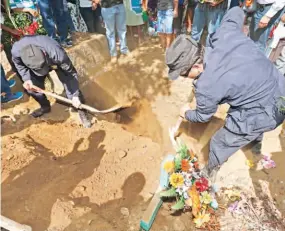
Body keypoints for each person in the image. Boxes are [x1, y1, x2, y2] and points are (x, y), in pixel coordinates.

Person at [166, 7, 285, 177]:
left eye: (184, 74)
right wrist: (243, 7)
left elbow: (202, 116)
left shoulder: (207, 86)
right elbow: (236, 12)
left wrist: (186, 112)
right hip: (279, 88)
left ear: (196, 66)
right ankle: (255, 145)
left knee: (220, 141)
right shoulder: (224, 35)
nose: (184, 78)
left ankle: (209, 173)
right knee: (245, 111)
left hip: (268, 111)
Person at [11, 35, 91, 128]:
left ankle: (82, 111)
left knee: (71, 89)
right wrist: (26, 79)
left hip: (53, 61)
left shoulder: (57, 54)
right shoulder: (16, 51)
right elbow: (19, 65)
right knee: (32, 88)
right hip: (36, 66)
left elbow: (70, 75)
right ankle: (45, 106)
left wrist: (75, 95)